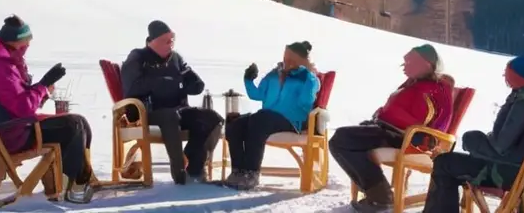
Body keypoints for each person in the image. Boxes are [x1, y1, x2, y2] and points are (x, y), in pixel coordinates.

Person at [0, 15, 95, 203]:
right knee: (74, 125)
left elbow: (13, 99)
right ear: (16, 42)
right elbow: (24, 107)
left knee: (76, 122)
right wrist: (43, 86)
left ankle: (75, 178)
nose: (28, 46)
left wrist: (41, 89)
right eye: (26, 41)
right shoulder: (0, 67)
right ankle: (75, 185)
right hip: (7, 135)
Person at [421, 53, 524, 213]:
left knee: (444, 163)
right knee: (456, 160)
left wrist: (473, 141)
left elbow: (500, 146)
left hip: (511, 173)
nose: (504, 75)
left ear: (519, 75)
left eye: (507, 71)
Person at [329, 44, 453, 212]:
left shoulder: (435, 89)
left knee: (343, 138)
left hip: (408, 139)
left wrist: (390, 118)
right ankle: (378, 193)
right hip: (392, 131)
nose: (404, 66)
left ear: (426, 63)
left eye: (409, 62)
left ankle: (381, 196)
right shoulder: (416, 84)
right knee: (344, 140)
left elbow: (430, 123)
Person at [121, 20, 223, 184]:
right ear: (153, 41)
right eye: (166, 41)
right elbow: (131, 87)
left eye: (172, 40)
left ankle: (195, 167)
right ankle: (179, 173)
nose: (170, 45)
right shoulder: (138, 57)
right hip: (147, 111)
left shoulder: (175, 58)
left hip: (178, 109)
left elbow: (196, 84)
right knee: (170, 116)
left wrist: (190, 83)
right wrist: (160, 82)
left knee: (212, 118)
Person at [224, 41, 321, 190]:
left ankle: (251, 173)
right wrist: (248, 79)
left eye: (291, 59)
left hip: (291, 121)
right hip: (266, 118)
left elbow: (305, 103)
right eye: (285, 57)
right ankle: (238, 171)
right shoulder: (274, 74)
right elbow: (257, 94)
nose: (286, 62)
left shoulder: (308, 78)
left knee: (260, 120)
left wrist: (306, 76)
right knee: (235, 123)